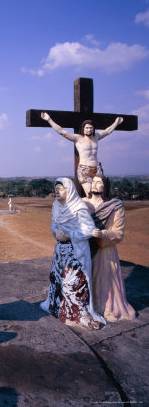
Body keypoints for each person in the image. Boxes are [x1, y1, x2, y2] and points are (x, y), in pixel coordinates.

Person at [40, 178, 105, 329]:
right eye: (56, 189)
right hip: (60, 251)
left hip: (76, 252)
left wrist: (70, 235)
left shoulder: (79, 207)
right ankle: (58, 309)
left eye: (61, 189)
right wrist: (55, 231)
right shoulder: (56, 205)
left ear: (69, 191)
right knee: (58, 280)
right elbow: (54, 223)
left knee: (75, 283)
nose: (57, 191)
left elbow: (90, 230)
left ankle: (79, 314)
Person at [84, 176, 136, 322]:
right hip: (85, 248)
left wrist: (102, 234)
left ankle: (105, 307)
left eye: (99, 182)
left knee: (104, 279)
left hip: (104, 251)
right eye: (93, 182)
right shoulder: (83, 204)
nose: (95, 184)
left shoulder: (115, 206)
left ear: (105, 187)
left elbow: (118, 233)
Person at [41, 112, 123, 197]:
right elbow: (62, 131)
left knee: (100, 196)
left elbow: (107, 131)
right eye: (87, 128)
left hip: (97, 169)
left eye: (91, 128)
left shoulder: (96, 137)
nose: (89, 130)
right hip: (85, 169)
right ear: (83, 128)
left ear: (93, 129)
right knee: (90, 195)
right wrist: (49, 120)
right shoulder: (78, 138)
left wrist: (116, 123)